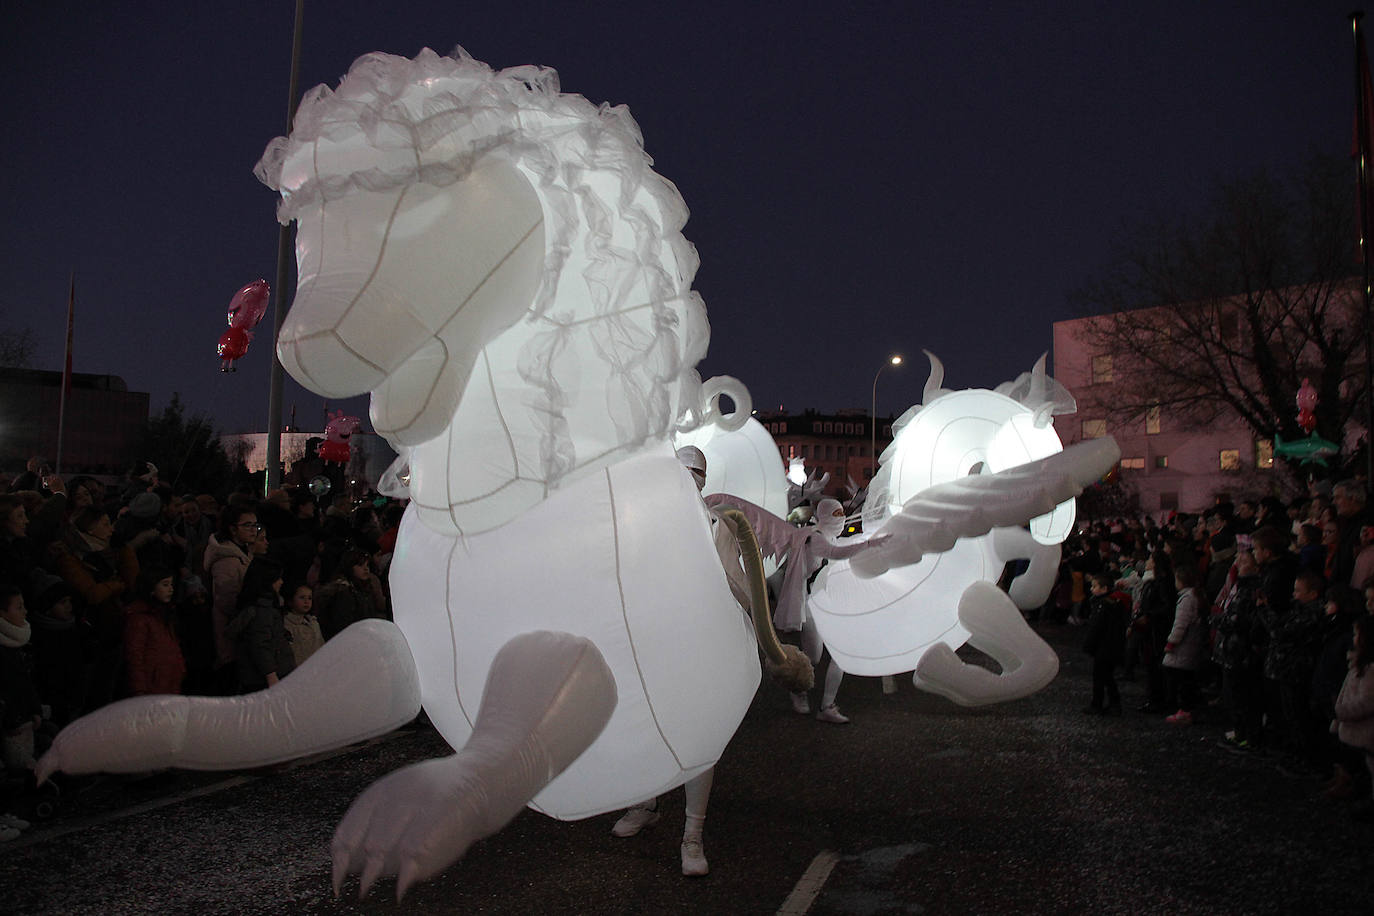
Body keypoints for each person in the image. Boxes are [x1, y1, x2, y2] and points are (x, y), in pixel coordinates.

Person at [1212, 550, 1265, 752]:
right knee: (1236, 694)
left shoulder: (1248, 591)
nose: (1237, 563)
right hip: (1235, 648)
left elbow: (1236, 620)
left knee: (1241, 695)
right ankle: (1242, 731)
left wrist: (1216, 619)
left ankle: (1245, 735)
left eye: (1242, 561)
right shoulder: (1240, 587)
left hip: (1240, 650)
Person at [204, 506, 260, 694]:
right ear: (232, 528)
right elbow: (227, 602)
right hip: (231, 636)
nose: (253, 530)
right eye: (247, 525)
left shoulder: (243, 553)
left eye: (255, 525)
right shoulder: (227, 561)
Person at [231, 558, 295, 692]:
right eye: (278, 578)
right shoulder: (262, 610)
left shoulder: (264, 606)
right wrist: (271, 675)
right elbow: (260, 645)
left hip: (263, 676)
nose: (281, 582)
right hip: (266, 678)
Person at [1333, 614, 1374, 821]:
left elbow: (1366, 701)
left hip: (1364, 729)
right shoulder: (1360, 663)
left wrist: (1340, 711)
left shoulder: (1369, 668)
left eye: (1357, 634)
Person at [123, 566, 186, 696]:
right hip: (152, 686)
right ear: (151, 587)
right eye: (165, 584)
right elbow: (135, 656)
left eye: (171, 584)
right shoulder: (139, 618)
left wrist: (180, 668)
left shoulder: (165, 614)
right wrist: (139, 689)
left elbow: (172, 646)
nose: (171, 589)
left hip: (169, 681)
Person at [1162, 563, 1207, 724]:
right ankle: (1189, 708)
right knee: (1187, 679)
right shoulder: (1197, 596)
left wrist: (1171, 642)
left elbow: (1180, 624)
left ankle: (1184, 710)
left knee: (1181, 681)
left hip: (1183, 647)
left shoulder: (1186, 599)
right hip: (1193, 645)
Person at [313, 547, 388, 640]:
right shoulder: (344, 592)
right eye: (360, 565)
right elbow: (342, 625)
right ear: (349, 567)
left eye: (367, 565)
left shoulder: (365, 589)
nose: (366, 569)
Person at [1081, 573, 1129, 715]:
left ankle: (1098, 703)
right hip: (1111, 645)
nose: (1092, 589)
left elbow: (1096, 626)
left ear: (1104, 589)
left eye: (1095, 586)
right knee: (1107, 676)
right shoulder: (1112, 603)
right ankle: (1113, 703)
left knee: (1100, 676)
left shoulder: (1103, 604)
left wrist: (1088, 644)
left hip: (1104, 646)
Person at [281, 581, 324, 668]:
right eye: (302, 597)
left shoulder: (313, 623)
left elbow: (321, 645)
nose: (306, 601)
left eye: (309, 598)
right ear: (290, 600)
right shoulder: (286, 624)